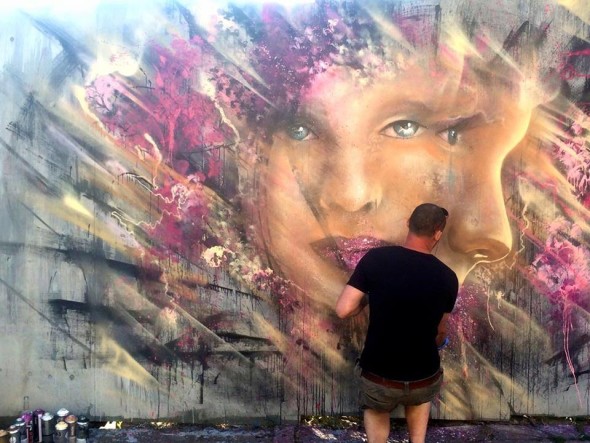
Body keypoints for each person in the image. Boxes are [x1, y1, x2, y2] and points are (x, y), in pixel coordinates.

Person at [335, 203, 459, 443]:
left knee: (377, 413)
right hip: (423, 378)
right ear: (437, 234)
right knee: (419, 403)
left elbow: (343, 309)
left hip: (380, 377)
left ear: (408, 223)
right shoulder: (448, 277)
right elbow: (440, 332)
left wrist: (369, 298)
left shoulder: (376, 259)